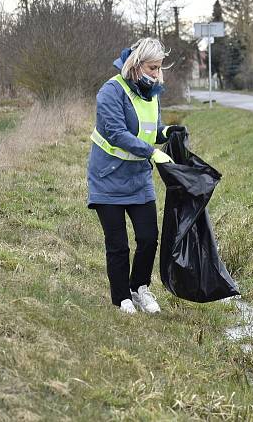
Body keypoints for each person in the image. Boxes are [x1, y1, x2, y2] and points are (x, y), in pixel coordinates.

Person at [87, 37, 174, 314]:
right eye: (152, 68)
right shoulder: (110, 92)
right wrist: (151, 152)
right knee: (118, 245)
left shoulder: (153, 94)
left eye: (159, 68)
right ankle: (121, 297)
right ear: (136, 65)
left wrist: (168, 133)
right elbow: (116, 133)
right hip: (107, 178)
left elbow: (153, 129)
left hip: (138, 178)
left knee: (149, 237)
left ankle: (140, 288)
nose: (156, 74)